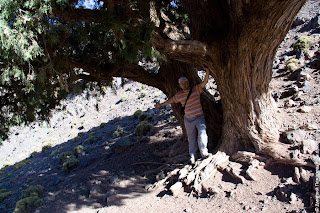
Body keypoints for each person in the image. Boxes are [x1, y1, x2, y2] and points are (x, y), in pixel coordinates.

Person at [154, 68, 211, 164]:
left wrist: (207, 71)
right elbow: (171, 100)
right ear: (180, 85)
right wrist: (160, 105)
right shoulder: (179, 95)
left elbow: (205, 81)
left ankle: (204, 152)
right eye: (182, 83)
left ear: (188, 82)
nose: (184, 84)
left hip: (199, 117)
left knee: (202, 134)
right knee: (191, 138)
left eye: (185, 82)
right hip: (188, 120)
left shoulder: (196, 89)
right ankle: (192, 156)